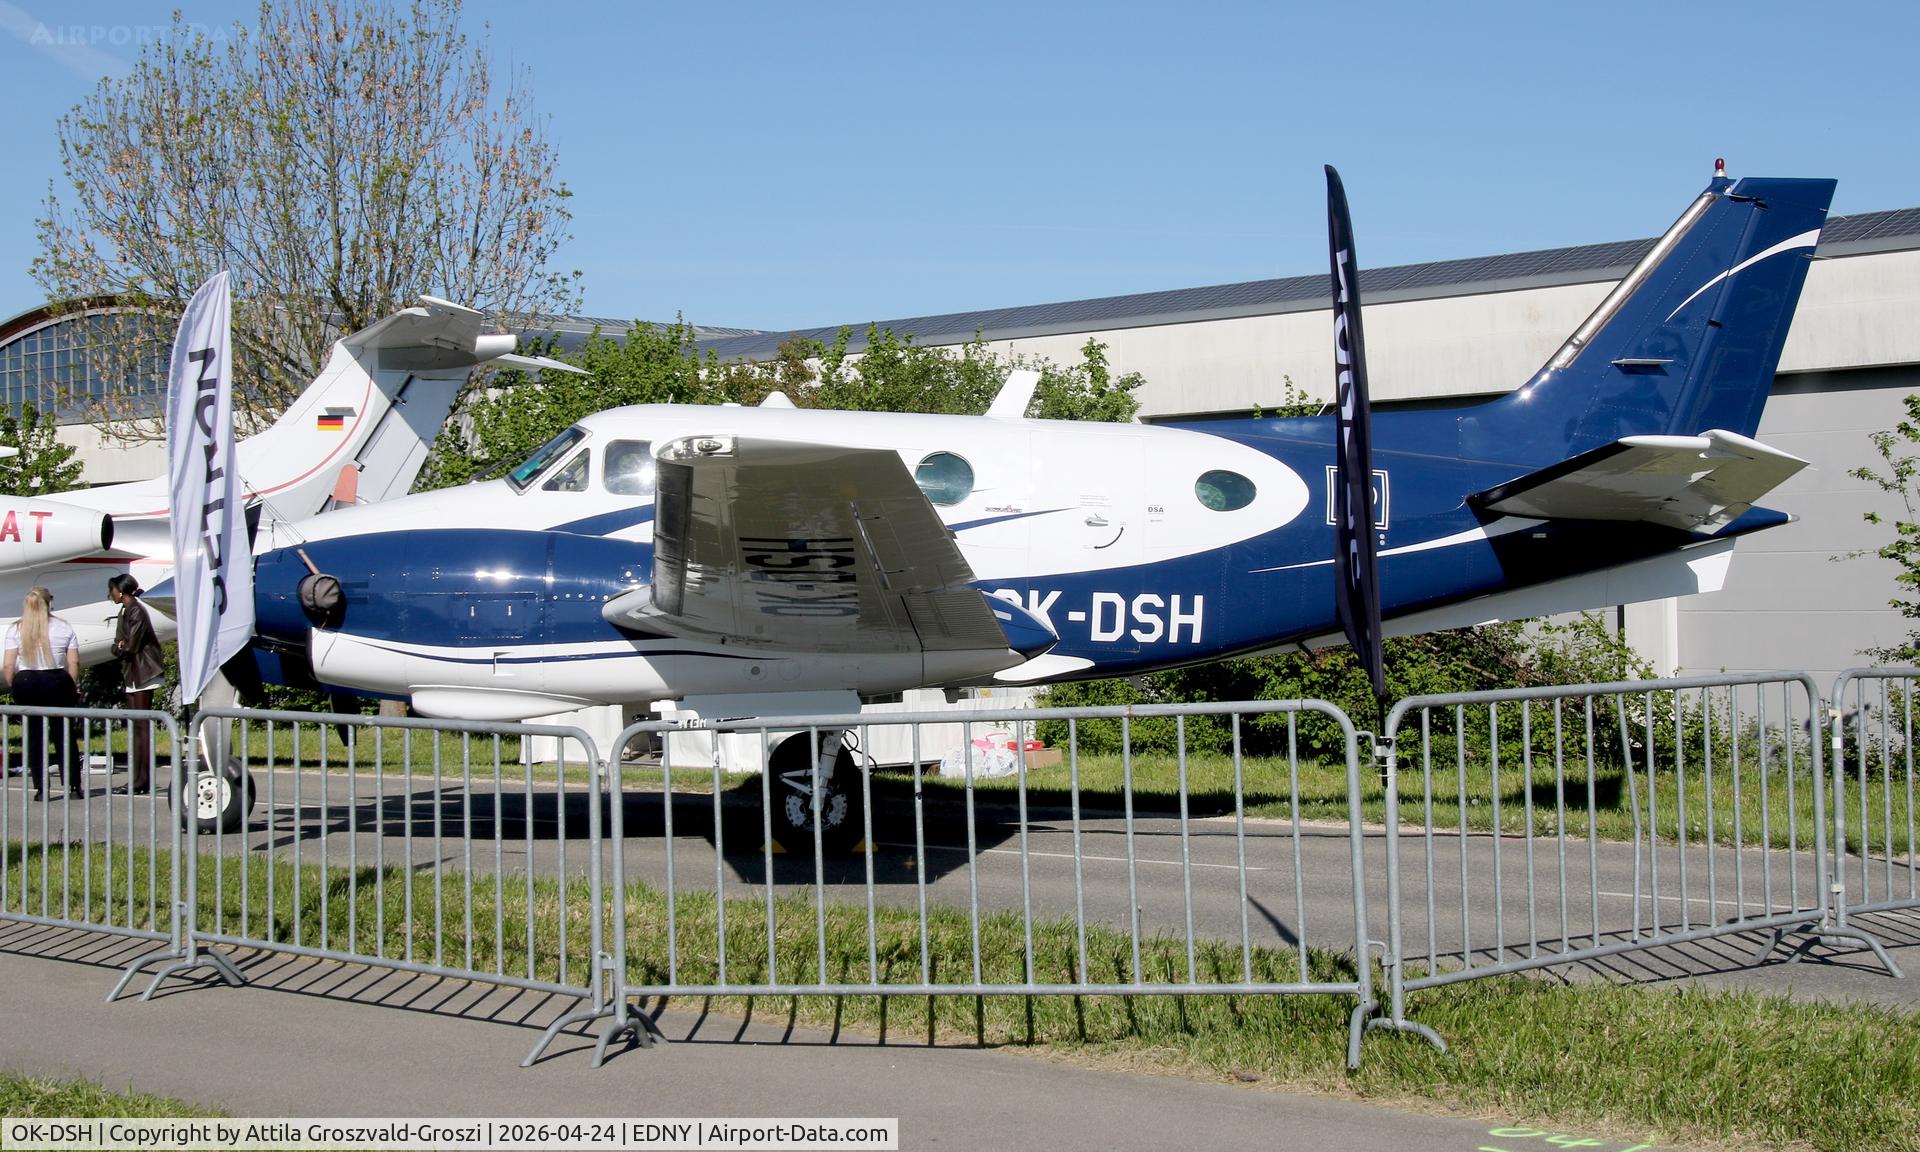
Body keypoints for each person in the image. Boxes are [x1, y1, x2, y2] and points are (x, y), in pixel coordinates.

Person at [3, 587, 83, 798]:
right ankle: (74, 786)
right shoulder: (63, 627)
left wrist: (15, 686)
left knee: (34, 737)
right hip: (57, 680)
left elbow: (8, 665)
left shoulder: (16, 629)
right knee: (64, 734)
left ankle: (41, 788)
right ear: (50, 603)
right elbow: (73, 661)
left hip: (27, 681)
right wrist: (72, 686)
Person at [108, 574, 166, 794]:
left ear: (121, 591)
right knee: (136, 727)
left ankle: (142, 779)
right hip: (134, 672)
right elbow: (118, 644)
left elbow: (130, 646)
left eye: (112, 590)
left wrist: (120, 646)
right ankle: (139, 778)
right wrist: (119, 646)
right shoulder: (126, 610)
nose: (110, 594)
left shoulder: (136, 610)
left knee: (141, 727)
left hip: (144, 672)